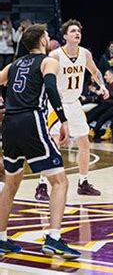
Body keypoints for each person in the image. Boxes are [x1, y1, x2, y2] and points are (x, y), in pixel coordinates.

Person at [0, 24, 80, 259]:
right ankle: (54, 239)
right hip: (31, 119)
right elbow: (51, 88)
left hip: (10, 124)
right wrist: (63, 120)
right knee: (60, 181)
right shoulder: (48, 61)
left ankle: (1, 239)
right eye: (47, 36)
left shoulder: (13, 65)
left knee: (12, 182)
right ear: (43, 41)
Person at [34, 19, 109, 201]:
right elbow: (43, 78)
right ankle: (42, 185)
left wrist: (102, 86)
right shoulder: (55, 56)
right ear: (65, 36)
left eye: (79, 31)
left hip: (74, 103)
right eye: (73, 31)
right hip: (56, 104)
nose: (77, 33)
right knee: (53, 144)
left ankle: (83, 183)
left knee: (84, 143)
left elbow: (94, 71)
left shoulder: (85, 54)